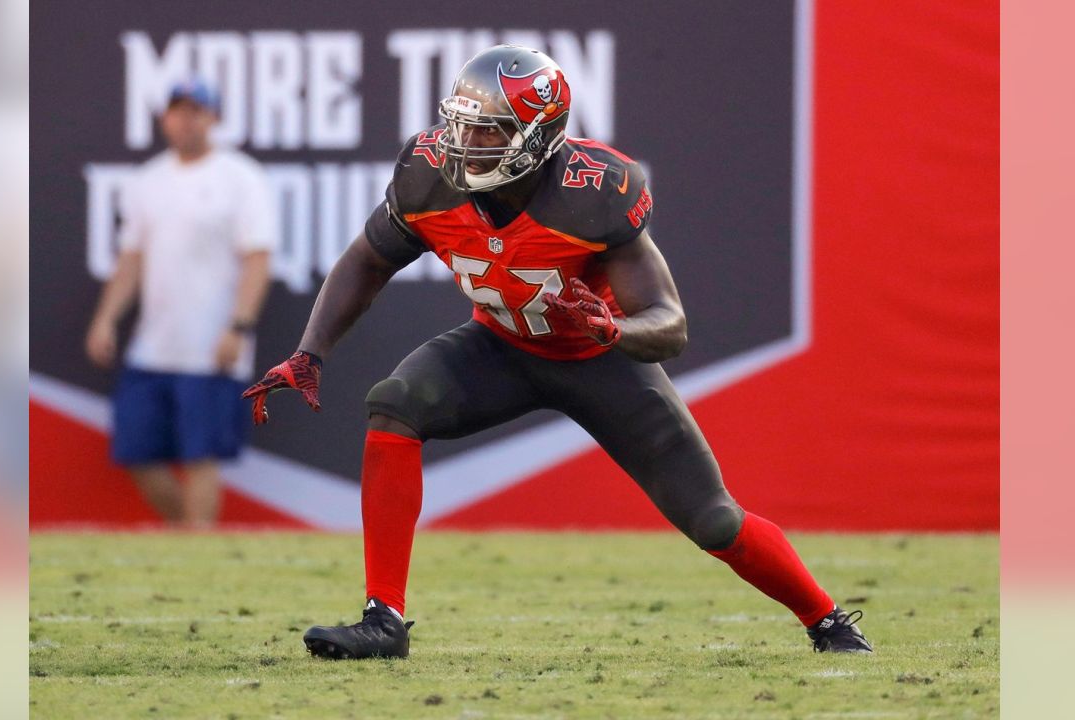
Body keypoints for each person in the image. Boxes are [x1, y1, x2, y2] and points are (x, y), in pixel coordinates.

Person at [243, 46, 871, 657]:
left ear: (538, 137)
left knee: (712, 520)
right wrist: (310, 353)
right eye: (460, 124)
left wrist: (614, 331)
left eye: (487, 131)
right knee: (396, 405)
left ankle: (826, 619)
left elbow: (670, 322)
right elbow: (368, 260)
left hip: (598, 361)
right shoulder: (428, 173)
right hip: (500, 345)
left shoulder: (594, 192)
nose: (464, 142)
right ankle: (383, 619)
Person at [86, 79, 276, 529]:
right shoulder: (147, 181)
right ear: (163, 117)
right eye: (178, 110)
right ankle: (189, 541)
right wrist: (106, 320)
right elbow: (131, 258)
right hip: (153, 346)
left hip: (210, 347)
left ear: (214, 118)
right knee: (136, 451)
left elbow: (258, 258)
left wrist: (240, 326)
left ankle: (197, 551)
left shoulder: (240, 177)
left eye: (196, 110)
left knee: (201, 456)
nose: (186, 119)